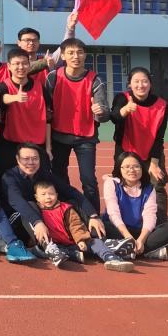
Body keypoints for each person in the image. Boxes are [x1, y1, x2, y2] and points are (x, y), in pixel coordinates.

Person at [44, 38, 108, 214]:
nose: (75, 56)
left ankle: (93, 217)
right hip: (58, 136)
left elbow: (104, 115)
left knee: (88, 180)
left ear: (85, 55)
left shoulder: (95, 80)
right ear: (63, 56)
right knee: (59, 178)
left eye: (80, 52)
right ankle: (66, 214)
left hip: (85, 137)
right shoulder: (53, 77)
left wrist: (100, 111)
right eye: (71, 53)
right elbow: (46, 109)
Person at [0, 142, 106, 248]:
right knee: (30, 205)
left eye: (35, 158)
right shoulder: (9, 177)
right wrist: (37, 222)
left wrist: (93, 215)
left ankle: (98, 237)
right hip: (19, 219)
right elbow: (17, 202)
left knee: (72, 203)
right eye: (26, 159)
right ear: (18, 159)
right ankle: (48, 247)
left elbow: (71, 191)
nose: (31, 162)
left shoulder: (43, 174)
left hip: (43, 218)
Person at [111, 67, 168, 223]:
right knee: (123, 186)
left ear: (150, 84)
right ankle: (123, 223)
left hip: (151, 153)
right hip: (126, 152)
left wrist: (154, 163)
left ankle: (160, 224)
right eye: (136, 81)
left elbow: (159, 137)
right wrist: (125, 110)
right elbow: (114, 117)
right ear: (129, 84)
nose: (140, 85)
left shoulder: (162, 105)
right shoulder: (122, 98)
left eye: (144, 81)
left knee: (157, 186)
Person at [32, 179, 132, 271]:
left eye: (51, 194)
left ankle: (111, 258)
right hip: (56, 246)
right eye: (43, 194)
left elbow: (76, 225)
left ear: (57, 195)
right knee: (49, 250)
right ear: (37, 197)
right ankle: (74, 254)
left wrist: (80, 240)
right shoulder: (36, 212)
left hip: (74, 242)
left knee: (95, 243)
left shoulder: (66, 208)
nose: (48, 197)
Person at [102, 151, 168, 261]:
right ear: (120, 169)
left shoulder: (149, 188)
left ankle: (127, 250)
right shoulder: (111, 183)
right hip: (119, 230)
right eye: (127, 167)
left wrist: (141, 240)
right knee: (98, 228)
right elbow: (113, 212)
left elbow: (150, 216)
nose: (132, 170)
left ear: (142, 168)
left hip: (140, 232)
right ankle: (148, 252)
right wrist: (128, 237)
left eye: (136, 166)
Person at [0, 48, 49, 178]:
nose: (21, 67)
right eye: (16, 64)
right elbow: (0, 97)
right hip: (9, 143)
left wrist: (48, 147)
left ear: (29, 65)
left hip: (37, 143)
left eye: (25, 63)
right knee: (4, 180)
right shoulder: (2, 86)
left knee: (39, 182)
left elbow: (49, 118)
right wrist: (15, 97)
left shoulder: (40, 87)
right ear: (9, 66)